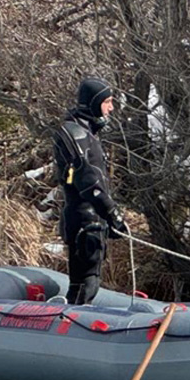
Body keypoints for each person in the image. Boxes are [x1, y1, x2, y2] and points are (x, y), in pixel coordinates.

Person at [51, 78, 127, 305]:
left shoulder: (88, 132)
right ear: (94, 103)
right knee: (86, 283)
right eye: (107, 102)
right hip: (84, 220)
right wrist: (111, 212)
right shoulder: (74, 133)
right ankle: (70, 322)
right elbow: (87, 180)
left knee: (89, 281)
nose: (111, 108)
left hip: (93, 220)